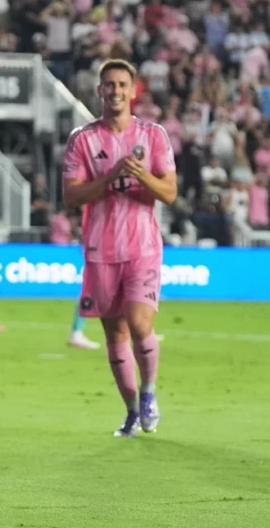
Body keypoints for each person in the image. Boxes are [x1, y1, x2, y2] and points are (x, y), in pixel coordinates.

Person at [62, 59, 177, 438]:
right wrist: (111, 175)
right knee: (115, 336)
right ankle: (130, 410)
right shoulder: (83, 139)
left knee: (141, 323)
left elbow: (170, 193)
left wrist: (142, 175)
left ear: (133, 90)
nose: (115, 91)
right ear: (100, 90)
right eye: (109, 84)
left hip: (143, 246)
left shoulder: (154, 135)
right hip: (100, 249)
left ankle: (148, 393)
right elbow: (72, 196)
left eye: (122, 84)